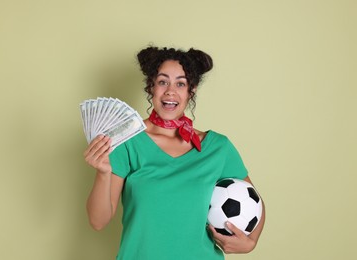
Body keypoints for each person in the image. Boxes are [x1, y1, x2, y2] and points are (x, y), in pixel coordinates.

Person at [84, 46, 265, 259]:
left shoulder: (218, 147)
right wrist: (103, 173)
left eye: (180, 83)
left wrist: (251, 242)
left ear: (192, 89)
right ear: (151, 87)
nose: (170, 91)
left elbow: (254, 200)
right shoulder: (126, 141)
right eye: (163, 82)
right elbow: (98, 221)